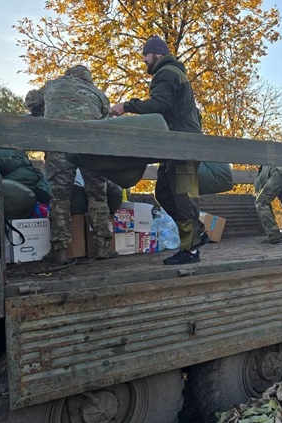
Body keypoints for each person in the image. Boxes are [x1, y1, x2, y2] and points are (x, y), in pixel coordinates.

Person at [110, 35, 206, 265]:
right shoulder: (174, 73)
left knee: (184, 197)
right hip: (177, 143)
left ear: (158, 54)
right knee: (163, 191)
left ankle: (191, 249)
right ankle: (197, 232)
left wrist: (127, 106)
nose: (144, 59)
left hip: (184, 145)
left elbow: (159, 105)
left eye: (146, 54)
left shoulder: (167, 72)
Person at [38, 65, 115, 264]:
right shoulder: (98, 93)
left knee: (60, 197)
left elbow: (31, 100)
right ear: (88, 80)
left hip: (59, 144)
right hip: (92, 147)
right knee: (98, 195)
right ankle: (103, 248)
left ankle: (60, 250)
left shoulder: (52, 85)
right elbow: (107, 117)